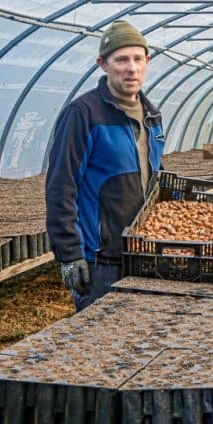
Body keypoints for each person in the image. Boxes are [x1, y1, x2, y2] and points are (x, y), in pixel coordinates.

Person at [46, 20, 165, 311]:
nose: (131, 68)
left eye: (138, 59)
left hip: (145, 254)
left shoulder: (152, 115)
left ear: (147, 61)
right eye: (121, 59)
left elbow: (154, 180)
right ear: (103, 64)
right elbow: (61, 188)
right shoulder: (83, 114)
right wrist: (69, 255)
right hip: (101, 261)